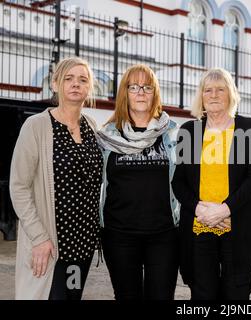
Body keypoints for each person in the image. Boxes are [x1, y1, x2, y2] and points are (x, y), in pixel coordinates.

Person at [10, 57, 102, 300]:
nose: (75, 84)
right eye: (68, 78)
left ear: (89, 87)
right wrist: (39, 238)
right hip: (50, 245)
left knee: (72, 296)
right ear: (55, 83)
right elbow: (19, 187)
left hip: (82, 245)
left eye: (83, 80)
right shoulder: (36, 126)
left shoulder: (91, 126)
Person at [171, 68, 251, 300]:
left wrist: (225, 209)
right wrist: (200, 209)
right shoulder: (189, 132)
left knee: (237, 294)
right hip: (200, 225)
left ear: (230, 94)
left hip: (237, 224)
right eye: (208, 90)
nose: (213, 95)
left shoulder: (249, 129)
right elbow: (178, 182)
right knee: (203, 294)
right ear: (201, 96)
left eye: (220, 89)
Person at [97, 64, 180, 300]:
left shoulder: (172, 135)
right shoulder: (107, 137)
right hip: (119, 235)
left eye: (147, 87)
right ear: (125, 92)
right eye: (134, 87)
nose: (141, 92)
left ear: (155, 93)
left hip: (163, 235)